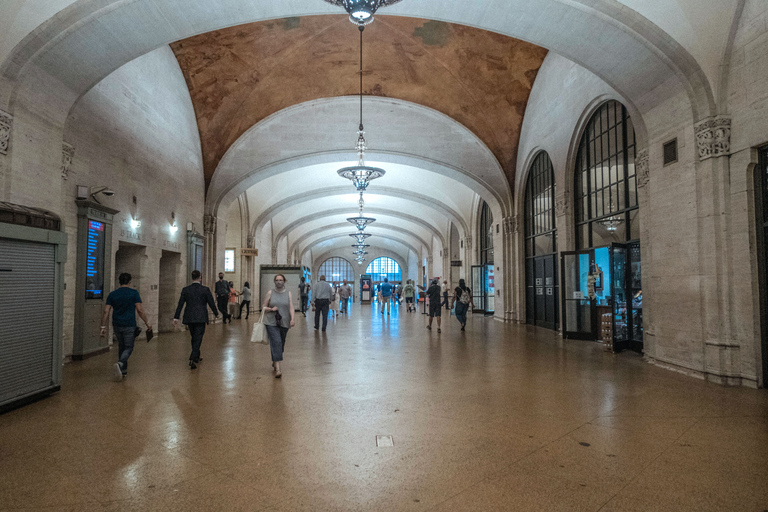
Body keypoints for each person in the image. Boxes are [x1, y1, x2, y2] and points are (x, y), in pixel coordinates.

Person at [100, 272, 152, 381]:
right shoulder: (133, 293)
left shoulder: (112, 294)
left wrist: (103, 327)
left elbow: (106, 311)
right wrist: (147, 322)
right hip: (129, 324)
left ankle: (123, 371)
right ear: (130, 282)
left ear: (119, 282)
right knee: (129, 347)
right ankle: (120, 364)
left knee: (121, 346)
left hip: (117, 324)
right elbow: (139, 310)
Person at [173, 270, 219, 369]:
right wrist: (216, 313)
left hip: (189, 316)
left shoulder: (186, 289)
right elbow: (211, 302)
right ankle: (192, 357)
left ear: (192, 278)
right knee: (198, 337)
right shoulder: (205, 289)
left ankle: (197, 356)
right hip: (201, 316)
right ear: (200, 277)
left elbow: (180, 304)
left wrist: (176, 317)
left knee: (194, 336)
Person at [262, 274, 295, 378]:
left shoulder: (288, 293)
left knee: (281, 343)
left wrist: (292, 319)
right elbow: (263, 306)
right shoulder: (270, 293)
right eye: (277, 280)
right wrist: (271, 309)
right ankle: (278, 369)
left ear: (284, 281)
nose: (279, 282)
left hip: (284, 321)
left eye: (281, 280)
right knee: (276, 341)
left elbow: (291, 307)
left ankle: (275, 359)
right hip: (271, 321)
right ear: (274, 281)